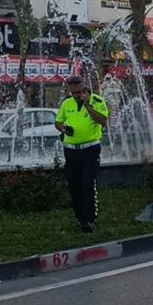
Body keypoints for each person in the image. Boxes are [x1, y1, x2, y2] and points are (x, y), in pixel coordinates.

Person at [55, 76, 109, 233]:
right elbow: (58, 122)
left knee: (87, 184)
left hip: (90, 150)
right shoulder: (67, 103)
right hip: (71, 150)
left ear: (85, 89)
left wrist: (88, 106)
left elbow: (103, 121)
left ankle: (90, 219)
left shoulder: (97, 100)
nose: (77, 95)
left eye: (79, 92)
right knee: (74, 186)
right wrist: (64, 129)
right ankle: (80, 219)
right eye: (73, 93)